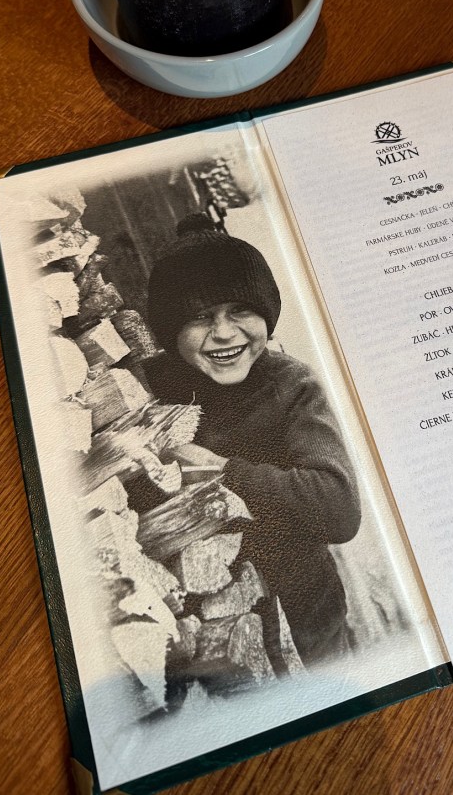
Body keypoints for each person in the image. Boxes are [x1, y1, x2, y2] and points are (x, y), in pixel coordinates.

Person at [143, 215, 361, 667]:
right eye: (200, 317)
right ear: (170, 330)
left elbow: (339, 508)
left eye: (240, 310)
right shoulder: (149, 387)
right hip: (202, 629)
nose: (224, 332)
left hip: (310, 624)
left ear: (266, 313)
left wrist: (222, 473)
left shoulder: (291, 384)